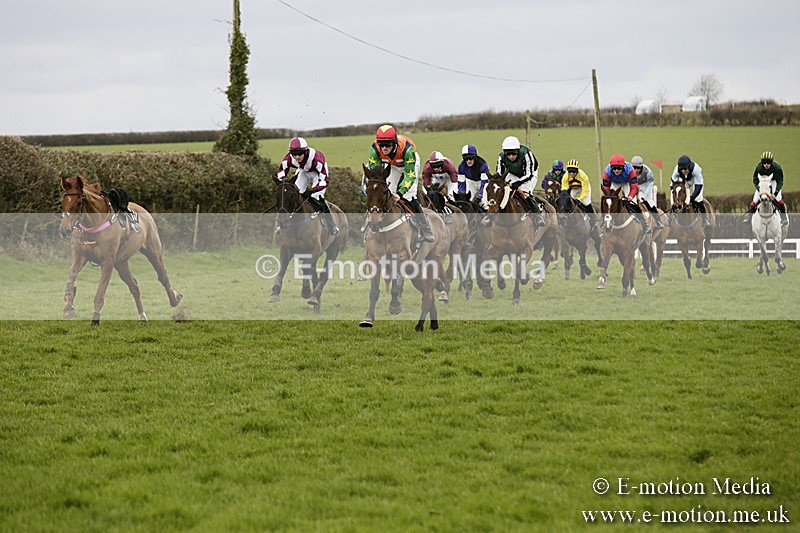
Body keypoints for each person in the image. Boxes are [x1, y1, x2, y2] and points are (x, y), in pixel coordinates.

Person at [366, 124, 434, 242]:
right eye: (381, 145)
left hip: (409, 165)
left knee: (409, 196)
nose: (384, 148)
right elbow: (376, 174)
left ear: (394, 143)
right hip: (393, 166)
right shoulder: (374, 150)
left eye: (388, 145)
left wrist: (400, 192)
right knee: (388, 193)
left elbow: (410, 175)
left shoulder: (407, 150)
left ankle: (425, 228)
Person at [276, 137, 339, 235]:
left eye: (299, 154)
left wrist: (312, 190)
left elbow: (324, 181)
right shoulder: (289, 158)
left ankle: (331, 225)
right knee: (295, 194)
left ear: (305, 151)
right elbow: (282, 172)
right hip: (303, 172)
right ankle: (285, 223)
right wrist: (282, 183)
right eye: (294, 154)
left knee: (316, 197)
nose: (297, 157)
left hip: (318, 174)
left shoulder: (317, 159)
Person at [495, 135, 545, 227]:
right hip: (513, 173)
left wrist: (518, 183)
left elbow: (529, 174)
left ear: (518, 151)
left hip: (530, 174)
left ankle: (537, 214)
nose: (511, 157)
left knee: (524, 192)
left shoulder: (526, 154)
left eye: (514, 154)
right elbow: (499, 174)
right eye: (508, 154)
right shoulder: (501, 157)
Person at [602, 153, 650, 234]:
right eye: (614, 168)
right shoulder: (607, 172)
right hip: (614, 182)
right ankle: (603, 224)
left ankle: (644, 224)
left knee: (633, 203)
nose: (616, 170)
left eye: (619, 168)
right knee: (609, 203)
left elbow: (634, 187)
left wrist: (630, 197)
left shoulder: (630, 170)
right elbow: (606, 189)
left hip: (627, 183)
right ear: (611, 167)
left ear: (623, 167)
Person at [742, 151, 788, 226]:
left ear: (771, 162)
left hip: (773, 182)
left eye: (768, 163)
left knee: (778, 199)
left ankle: (784, 218)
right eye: (764, 163)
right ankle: (749, 218)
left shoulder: (777, 168)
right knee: (755, 200)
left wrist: (775, 193)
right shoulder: (759, 168)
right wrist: (759, 189)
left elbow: (780, 182)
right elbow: (755, 180)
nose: (766, 165)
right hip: (762, 182)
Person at [670, 154, 710, 228]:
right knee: (677, 198)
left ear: (689, 167)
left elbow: (698, 187)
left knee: (698, 199)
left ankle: (705, 219)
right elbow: (672, 185)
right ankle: (670, 218)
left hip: (696, 182)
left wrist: (692, 197)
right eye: (681, 169)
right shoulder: (676, 170)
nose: (683, 171)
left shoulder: (696, 170)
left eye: (685, 169)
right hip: (685, 181)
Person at [561, 159, 600, 234]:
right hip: (573, 188)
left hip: (583, 187)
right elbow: (564, 188)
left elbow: (585, 190)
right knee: (569, 201)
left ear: (577, 170)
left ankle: (593, 217)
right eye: (570, 171)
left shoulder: (583, 176)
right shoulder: (565, 176)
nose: (571, 173)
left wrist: (580, 199)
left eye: (574, 171)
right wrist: (565, 197)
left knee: (585, 202)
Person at [422, 151, 458, 221]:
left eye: (438, 165)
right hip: (437, 179)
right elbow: (427, 185)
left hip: (449, 179)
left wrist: (450, 195)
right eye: (434, 166)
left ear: (442, 162)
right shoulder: (427, 168)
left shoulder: (449, 165)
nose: (436, 168)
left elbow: (454, 182)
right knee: (433, 196)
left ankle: (451, 212)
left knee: (451, 197)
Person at [631, 155, 663, 229]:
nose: (636, 170)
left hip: (646, 184)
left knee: (648, 200)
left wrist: (645, 196)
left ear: (641, 167)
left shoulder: (648, 172)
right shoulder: (629, 171)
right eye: (634, 168)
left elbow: (650, 184)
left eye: (638, 168)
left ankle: (658, 221)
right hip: (635, 184)